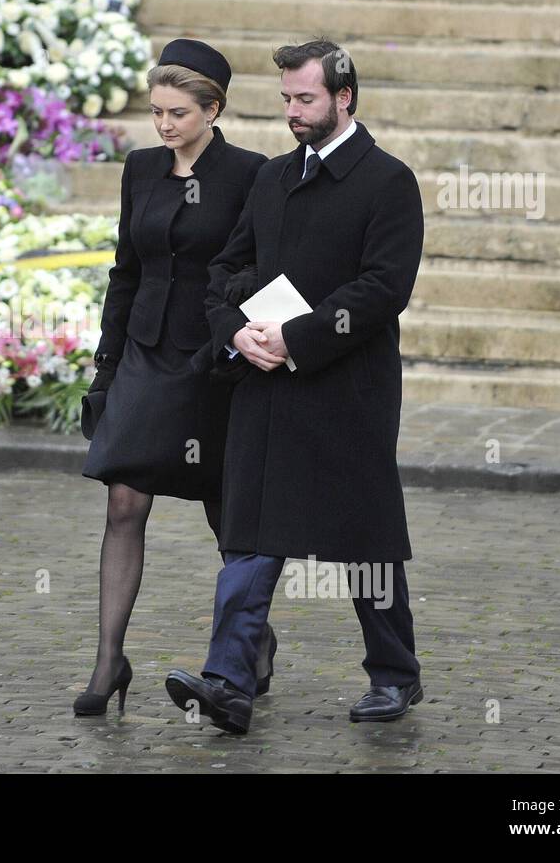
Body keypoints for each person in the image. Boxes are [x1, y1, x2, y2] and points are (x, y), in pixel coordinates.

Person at [164, 37, 427, 734]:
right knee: (251, 537)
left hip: (348, 391)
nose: (292, 111)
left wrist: (297, 339)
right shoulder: (273, 178)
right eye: (285, 99)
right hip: (264, 384)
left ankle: (396, 676)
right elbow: (226, 270)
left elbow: (383, 290)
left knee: (365, 539)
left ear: (344, 97)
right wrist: (236, 333)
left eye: (305, 98)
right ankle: (228, 682)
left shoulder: (388, 181)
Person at [75, 38, 272, 716]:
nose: (164, 125)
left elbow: (261, 269)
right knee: (124, 500)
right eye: (157, 112)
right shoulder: (141, 170)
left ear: (213, 109)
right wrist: (105, 367)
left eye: (178, 113)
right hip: (143, 355)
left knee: (225, 511)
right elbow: (125, 270)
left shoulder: (251, 173)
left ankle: (251, 640)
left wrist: (244, 342)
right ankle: (108, 661)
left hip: (213, 359)